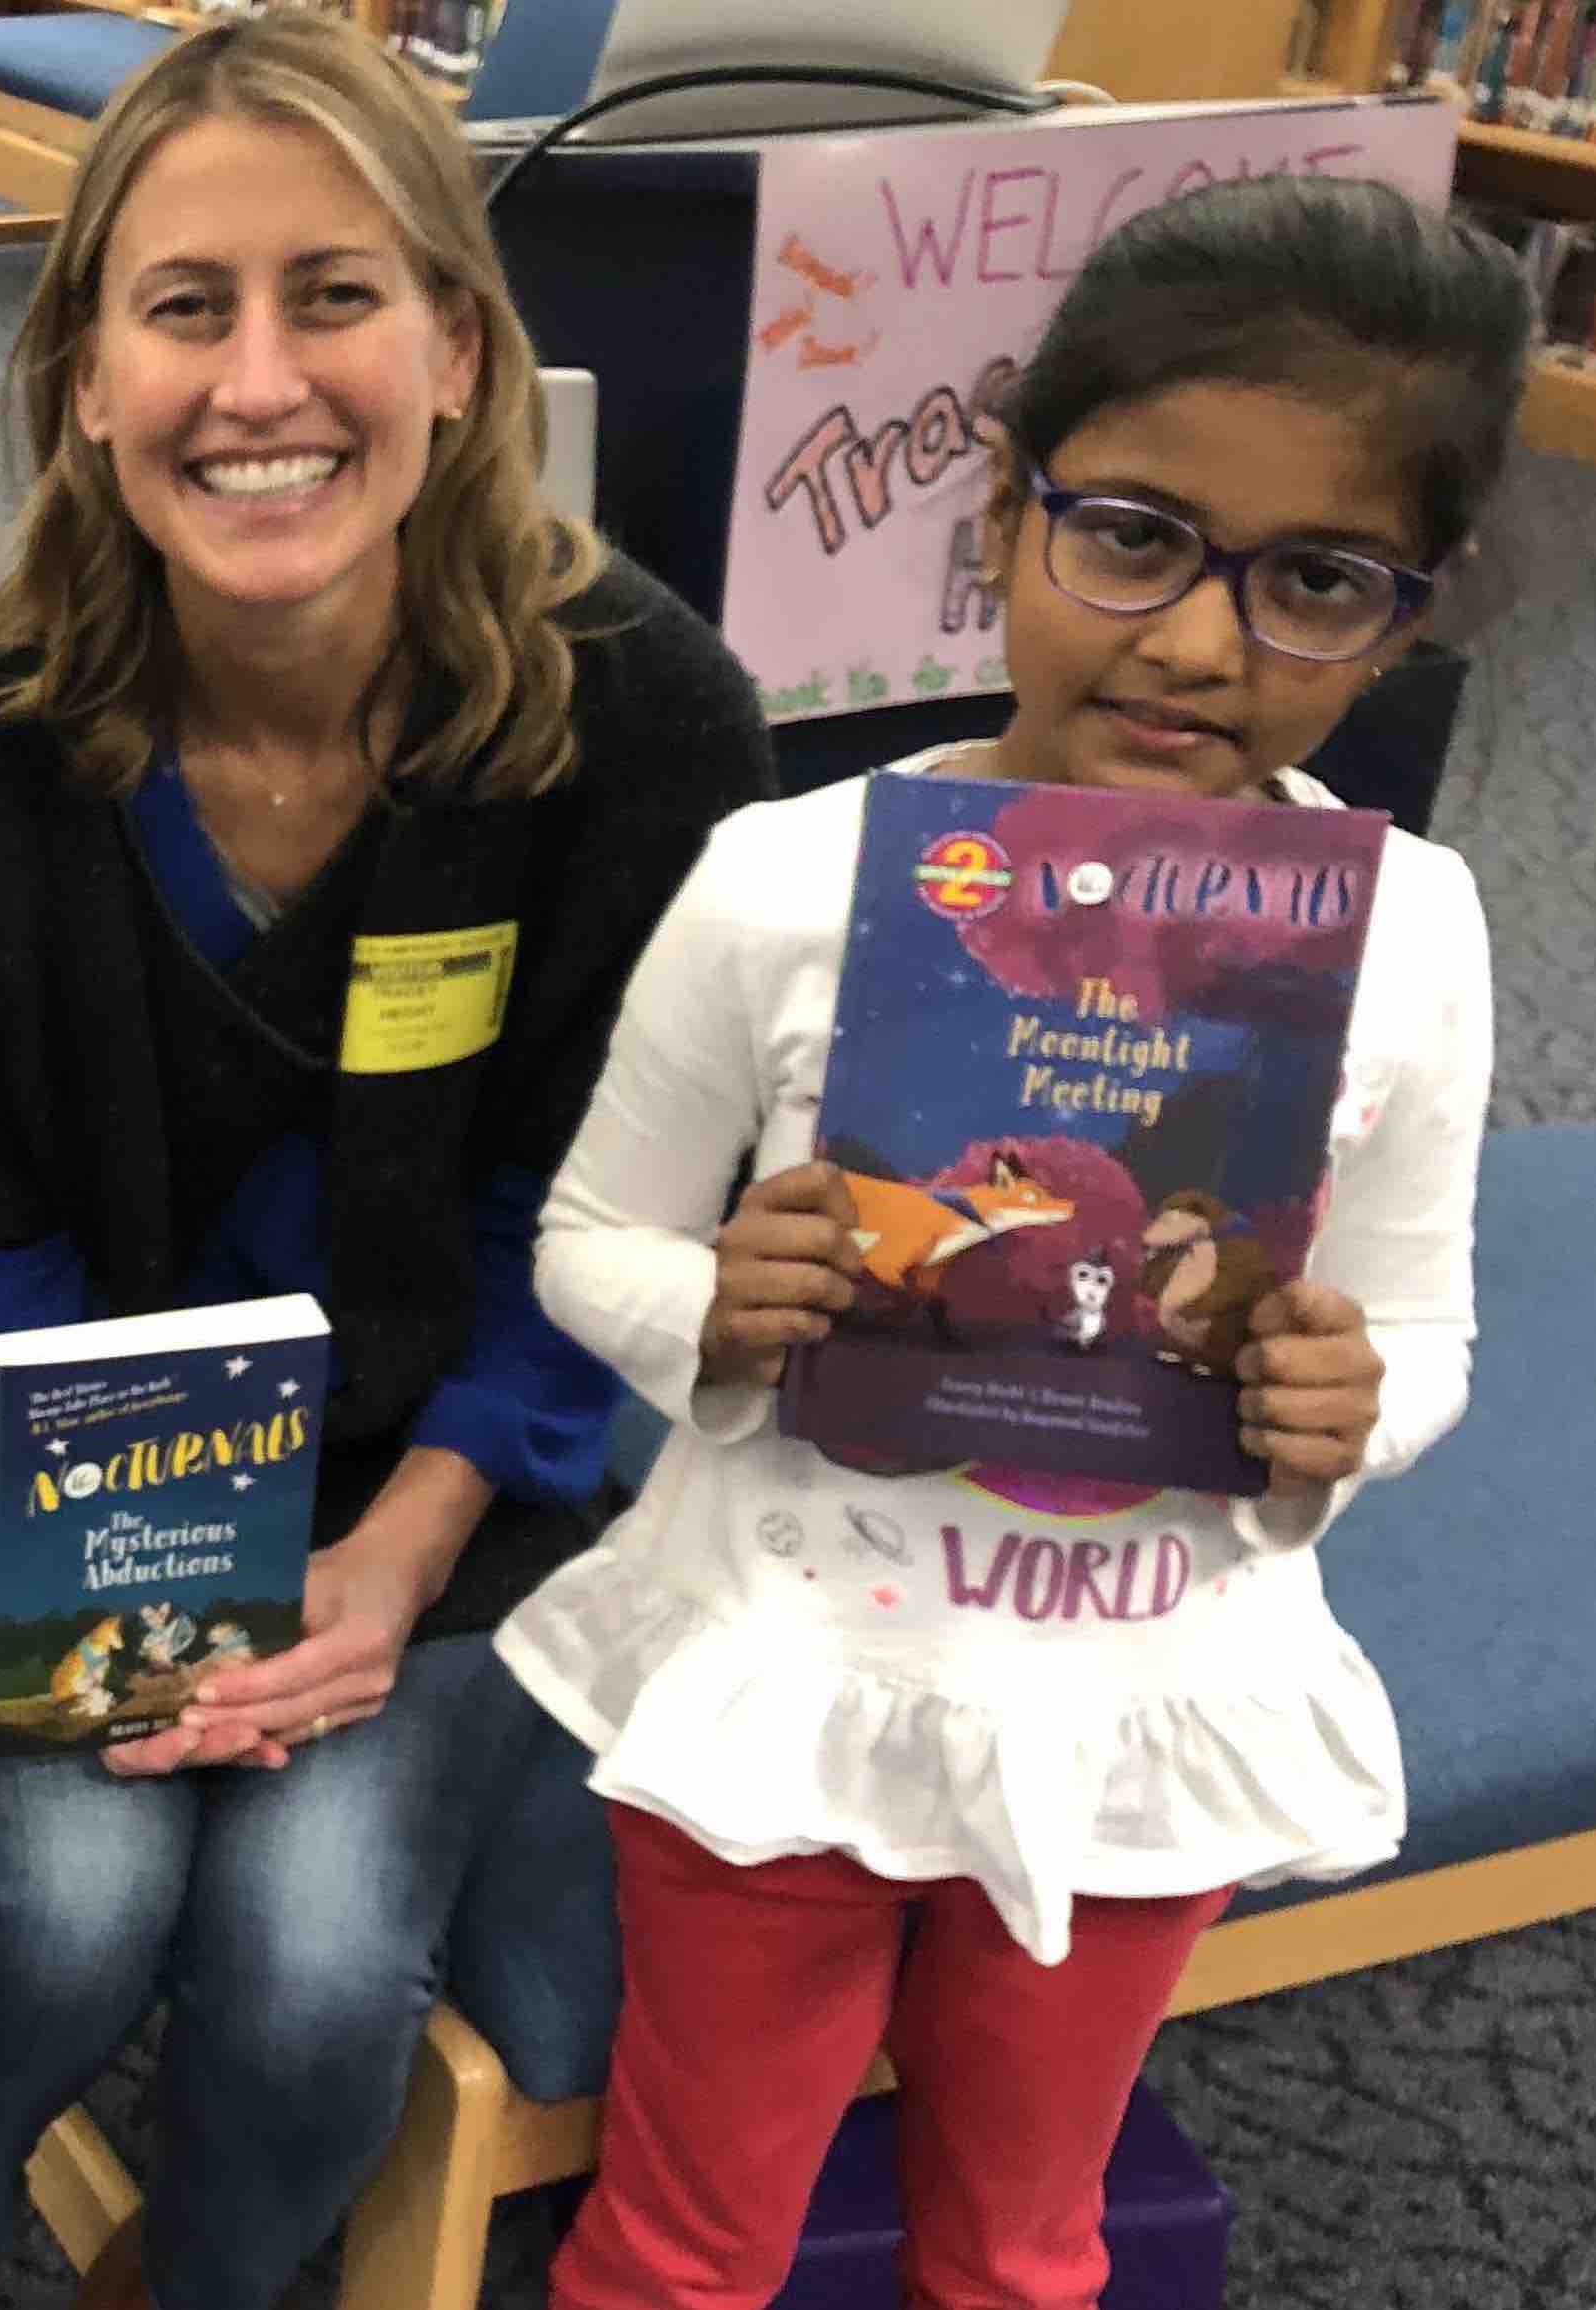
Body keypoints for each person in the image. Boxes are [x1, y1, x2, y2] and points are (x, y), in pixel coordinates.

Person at [0, 17, 776, 2308]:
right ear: (79, 373)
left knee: (321, 1953)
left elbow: (609, 1207)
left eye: (335, 294)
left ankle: (204, 2277)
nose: (262, 381)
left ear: (456, 343)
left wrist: (411, 1524)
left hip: (454, 1449)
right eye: (184, 307)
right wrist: (152, 1533)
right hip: (54, 1439)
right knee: (69, 1885)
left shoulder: (644, 714)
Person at [507, 173, 1520, 2310]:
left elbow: (1423, 1330)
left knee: (1023, 2248)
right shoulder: (793, 877)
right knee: (691, 2242)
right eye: (1133, 533)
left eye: (1316, 580)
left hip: (1146, 1704)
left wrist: (1354, 1399)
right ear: (1001, 513)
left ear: (1409, 619)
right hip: (800, 1671)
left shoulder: (1409, 932)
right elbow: (592, 1230)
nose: (1195, 641)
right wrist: (717, 1299)